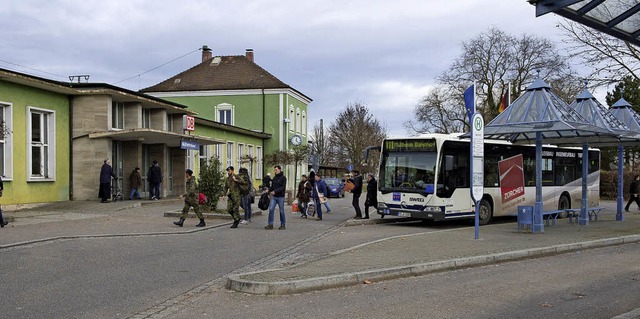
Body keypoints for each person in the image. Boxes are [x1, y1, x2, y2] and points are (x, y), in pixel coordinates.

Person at [265, 165, 287, 230]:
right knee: (271, 209)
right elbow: (272, 187)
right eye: (275, 170)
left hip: (280, 197)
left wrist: (275, 191)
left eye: (276, 170)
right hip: (274, 197)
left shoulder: (283, 178)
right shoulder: (274, 178)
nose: (275, 171)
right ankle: (270, 224)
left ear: (280, 170)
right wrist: (269, 190)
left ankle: (283, 224)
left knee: (281, 211)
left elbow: (283, 187)